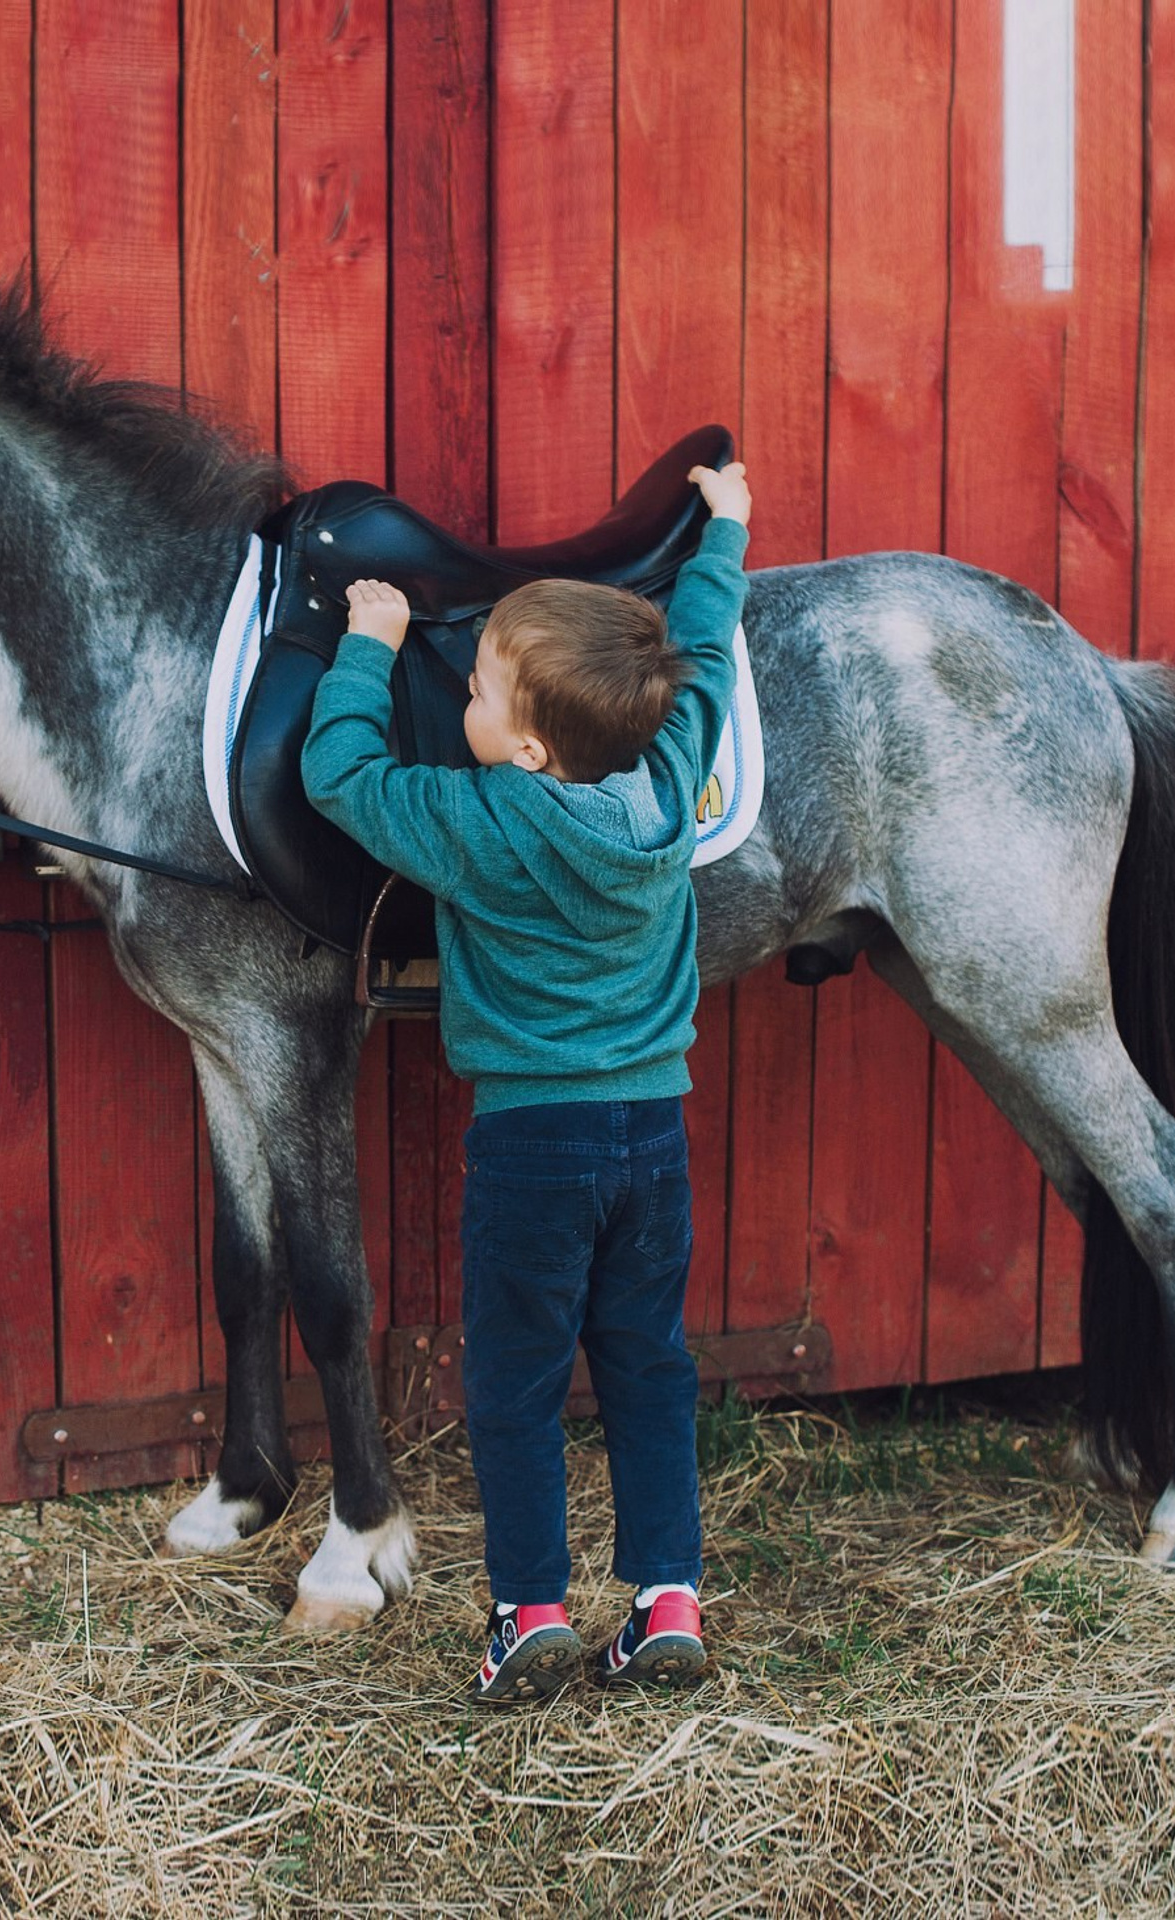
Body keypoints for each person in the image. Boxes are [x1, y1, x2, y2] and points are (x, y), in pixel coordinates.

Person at [301, 462, 753, 1701]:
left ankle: (530, 1613)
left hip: (531, 1145)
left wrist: (374, 648)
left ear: (532, 745)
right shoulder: (672, 779)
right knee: (650, 1366)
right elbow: (706, 652)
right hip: (652, 1133)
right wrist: (725, 536)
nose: (470, 698)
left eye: (485, 689)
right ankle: (667, 1600)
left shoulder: (482, 822)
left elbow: (338, 776)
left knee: (515, 1381)